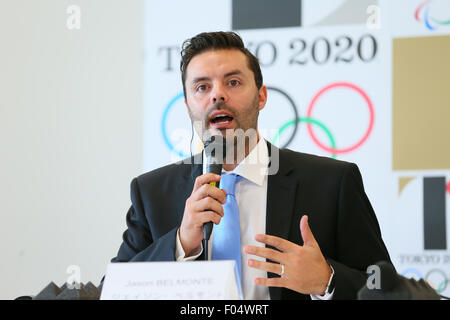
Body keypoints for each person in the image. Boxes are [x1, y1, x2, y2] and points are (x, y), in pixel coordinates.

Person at [111, 31, 391, 300]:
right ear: (187, 106)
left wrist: (327, 281)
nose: (217, 95)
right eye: (202, 87)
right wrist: (180, 244)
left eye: (232, 82)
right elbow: (114, 291)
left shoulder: (332, 183)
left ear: (261, 96)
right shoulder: (152, 192)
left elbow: (386, 288)